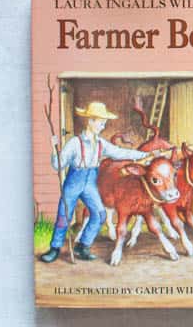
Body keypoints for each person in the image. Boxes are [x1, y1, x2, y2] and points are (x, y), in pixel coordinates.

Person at [39, 102, 149, 262]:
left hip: (90, 181)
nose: (103, 127)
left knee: (99, 214)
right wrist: (54, 151)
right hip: (74, 181)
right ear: (90, 121)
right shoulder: (75, 143)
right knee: (64, 215)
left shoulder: (100, 143)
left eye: (104, 123)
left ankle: (82, 246)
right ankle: (54, 248)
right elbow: (58, 165)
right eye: (101, 123)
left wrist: (143, 155)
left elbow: (119, 152)